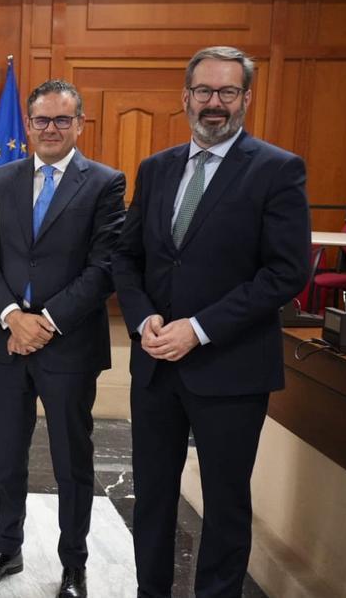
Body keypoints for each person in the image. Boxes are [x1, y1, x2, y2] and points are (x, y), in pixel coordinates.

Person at [112, 46, 310, 597]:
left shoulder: (277, 169)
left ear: (246, 98)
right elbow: (127, 258)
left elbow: (285, 272)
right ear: (186, 97)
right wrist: (144, 316)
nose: (214, 103)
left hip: (230, 366)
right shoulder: (156, 168)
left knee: (224, 503)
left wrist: (198, 328)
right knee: (151, 496)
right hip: (154, 366)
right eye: (204, 91)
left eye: (227, 92)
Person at [0, 79, 126, 598]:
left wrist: (47, 321)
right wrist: (13, 316)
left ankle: (74, 564)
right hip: (7, 343)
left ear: (79, 124)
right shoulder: (4, 178)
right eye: (41, 120)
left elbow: (105, 268)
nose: (50, 129)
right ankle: (6, 548)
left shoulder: (104, 182)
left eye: (62, 120)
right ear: (29, 124)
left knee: (71, 462)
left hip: (69, 345)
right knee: (6, 456)